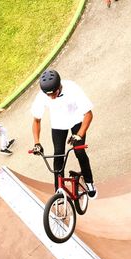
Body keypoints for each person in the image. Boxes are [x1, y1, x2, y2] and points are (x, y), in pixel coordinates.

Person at [31, 69, 97, 198]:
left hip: (77, 121)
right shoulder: (41, 96)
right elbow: (36, 121)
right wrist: (37, 142)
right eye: (49, 95)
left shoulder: (72, 88)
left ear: (59, 85)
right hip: (58, 125)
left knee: (79, 151)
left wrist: (79, 134)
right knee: (58, 156)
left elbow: (88, 115)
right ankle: (59, 191)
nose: (52, 97)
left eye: (54, 93)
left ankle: (89, 182)